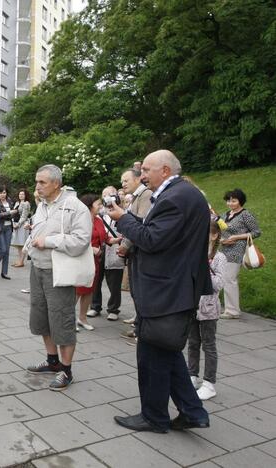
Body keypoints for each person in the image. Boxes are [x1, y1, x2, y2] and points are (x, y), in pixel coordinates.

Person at [108, 149, 212, 433]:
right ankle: (193, 412)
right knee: (166, 351)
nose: (142, 175)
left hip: (166, 291)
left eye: (146, 170)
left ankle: (153, 417)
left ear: (165, 170)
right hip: (172, 289)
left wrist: (122, 217)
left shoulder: (176, 197)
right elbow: (163, 235)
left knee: (152, 355)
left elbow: (153, 239)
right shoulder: (182, 194)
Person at [26, 165, 92, 391]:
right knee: (41, 318)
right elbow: (38, 232)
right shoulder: (42, 206)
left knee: (62, 320)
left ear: (56, 183)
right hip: (37, 268)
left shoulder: (75, 207)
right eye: (37, 182)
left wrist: (49, 241)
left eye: (42, 182)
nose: (37, 187)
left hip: (59, 272)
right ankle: (52, 361)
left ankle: (66, 370)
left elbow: (82, 241)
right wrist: (32, 240)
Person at [188, 219, 225, 401]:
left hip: (209, 307)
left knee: (209, 345)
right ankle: (192, 375)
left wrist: (204, 271)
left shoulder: (219, 257)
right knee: (193, 341)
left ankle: (209, 383)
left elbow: (219, 283)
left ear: (214, 235)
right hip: (193, 304)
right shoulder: (195, 253)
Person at [118, 168, 153, 332]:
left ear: (138, 179)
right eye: (122, 181)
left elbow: (139, 226)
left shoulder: (145, 195)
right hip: (134, 250)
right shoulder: (136, 197)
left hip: (140, 250)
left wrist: (125, 245)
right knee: (135, 289)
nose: (123, 184)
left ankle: (141, 328)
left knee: (140, 290)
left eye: (126, 180)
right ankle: (139, 324)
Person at [75, 194, 116, 331]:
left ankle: (82, 318)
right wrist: (90, 249)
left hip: (95, 261)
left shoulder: (98, 220)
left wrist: (114, 240)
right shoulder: (79, 219)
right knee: (78, 290)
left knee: (89, 290)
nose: (101, 206)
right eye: (98, 204)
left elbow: (104, 237)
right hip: (81, 259)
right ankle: (67, 319)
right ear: (90, 205)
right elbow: (74, 238)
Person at [219, 188, 261, 319]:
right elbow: (220, 232)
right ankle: (230, 309)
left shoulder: (245, 215)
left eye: (233, 200)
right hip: (224, 250)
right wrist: (222, 240)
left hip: (237, 250)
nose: (230, 203)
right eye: (228, 200)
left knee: (229, 279)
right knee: (225, 279)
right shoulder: (225, 214)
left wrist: (236, 237)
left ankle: (232, 311)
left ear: (240, 201)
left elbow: (256, 232)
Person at [89, 186, 125, 321]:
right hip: (100, 250)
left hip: (115, 250)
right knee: (96, 279)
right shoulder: (99, 214)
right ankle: (95, 306)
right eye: (104, 195)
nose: (106, 197)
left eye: (110, 194)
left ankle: (114, 308)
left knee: (114, 281)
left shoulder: (123, 212)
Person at [0, 187, 16, 279]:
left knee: (7, 251)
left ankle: (4, 273)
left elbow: (14, 213)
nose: (2, 194)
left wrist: (12, 213)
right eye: (1, 193)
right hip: (0, 228)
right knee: (3, 250)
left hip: (9, 227)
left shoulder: (9, 201)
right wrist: (9, 213)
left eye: (4, 192)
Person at [11, 189, 32, 267]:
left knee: (22, 243)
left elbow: (24, 216)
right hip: (16, 224)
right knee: (18, 244)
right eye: (20, 194)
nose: (21, 196)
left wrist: (18, 224)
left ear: (26, 195)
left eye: (23, 194)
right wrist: (13, 223)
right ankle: (20, 260)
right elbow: (13, 213)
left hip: (22, 225)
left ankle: (21, 261)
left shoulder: (26, 203)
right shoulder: (17, 202)